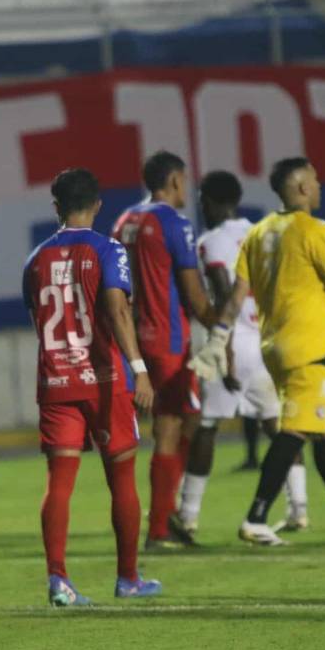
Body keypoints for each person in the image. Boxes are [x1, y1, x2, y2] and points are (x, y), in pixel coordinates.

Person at [190, 157, 325, 545]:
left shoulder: (259, 234)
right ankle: (256, 517)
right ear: (303, 188)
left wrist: (217, 338)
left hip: (273, 345)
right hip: (306, 345)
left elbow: (235, 296)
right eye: (315, 179)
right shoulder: (315, 230)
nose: (321, 185)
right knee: (295, 430)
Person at [24, 168, 162, 606]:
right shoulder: (108, 250)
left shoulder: (35, 259)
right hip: (104, 380)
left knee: (59, 482)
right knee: (121, 476)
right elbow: (118, 311)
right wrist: (139, 368)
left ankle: (58, 580)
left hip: (56, 380)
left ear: (56, 207)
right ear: (98, 204)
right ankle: (128, 578)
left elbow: (38, 321)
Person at [178, 172, 308, 536]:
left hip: (237, 340)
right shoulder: (264, 232)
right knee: (276, 425)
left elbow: (223, 293)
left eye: (203, 199)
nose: (200, 206)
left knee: (206, 426)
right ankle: (299, 507)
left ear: (217, 202)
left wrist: (227, 351)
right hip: (270, 340)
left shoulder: (212, 241)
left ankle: (187, 515)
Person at [112, 151, 218, 549]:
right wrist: (221, 326)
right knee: (174, 425)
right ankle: (159, 527)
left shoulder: (124, 221)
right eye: (184, 181)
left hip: (135, 337)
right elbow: (193, 291)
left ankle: (164, 514)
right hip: (169, 339)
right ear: (174, 180)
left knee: (183, 420)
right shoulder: (174, 222)